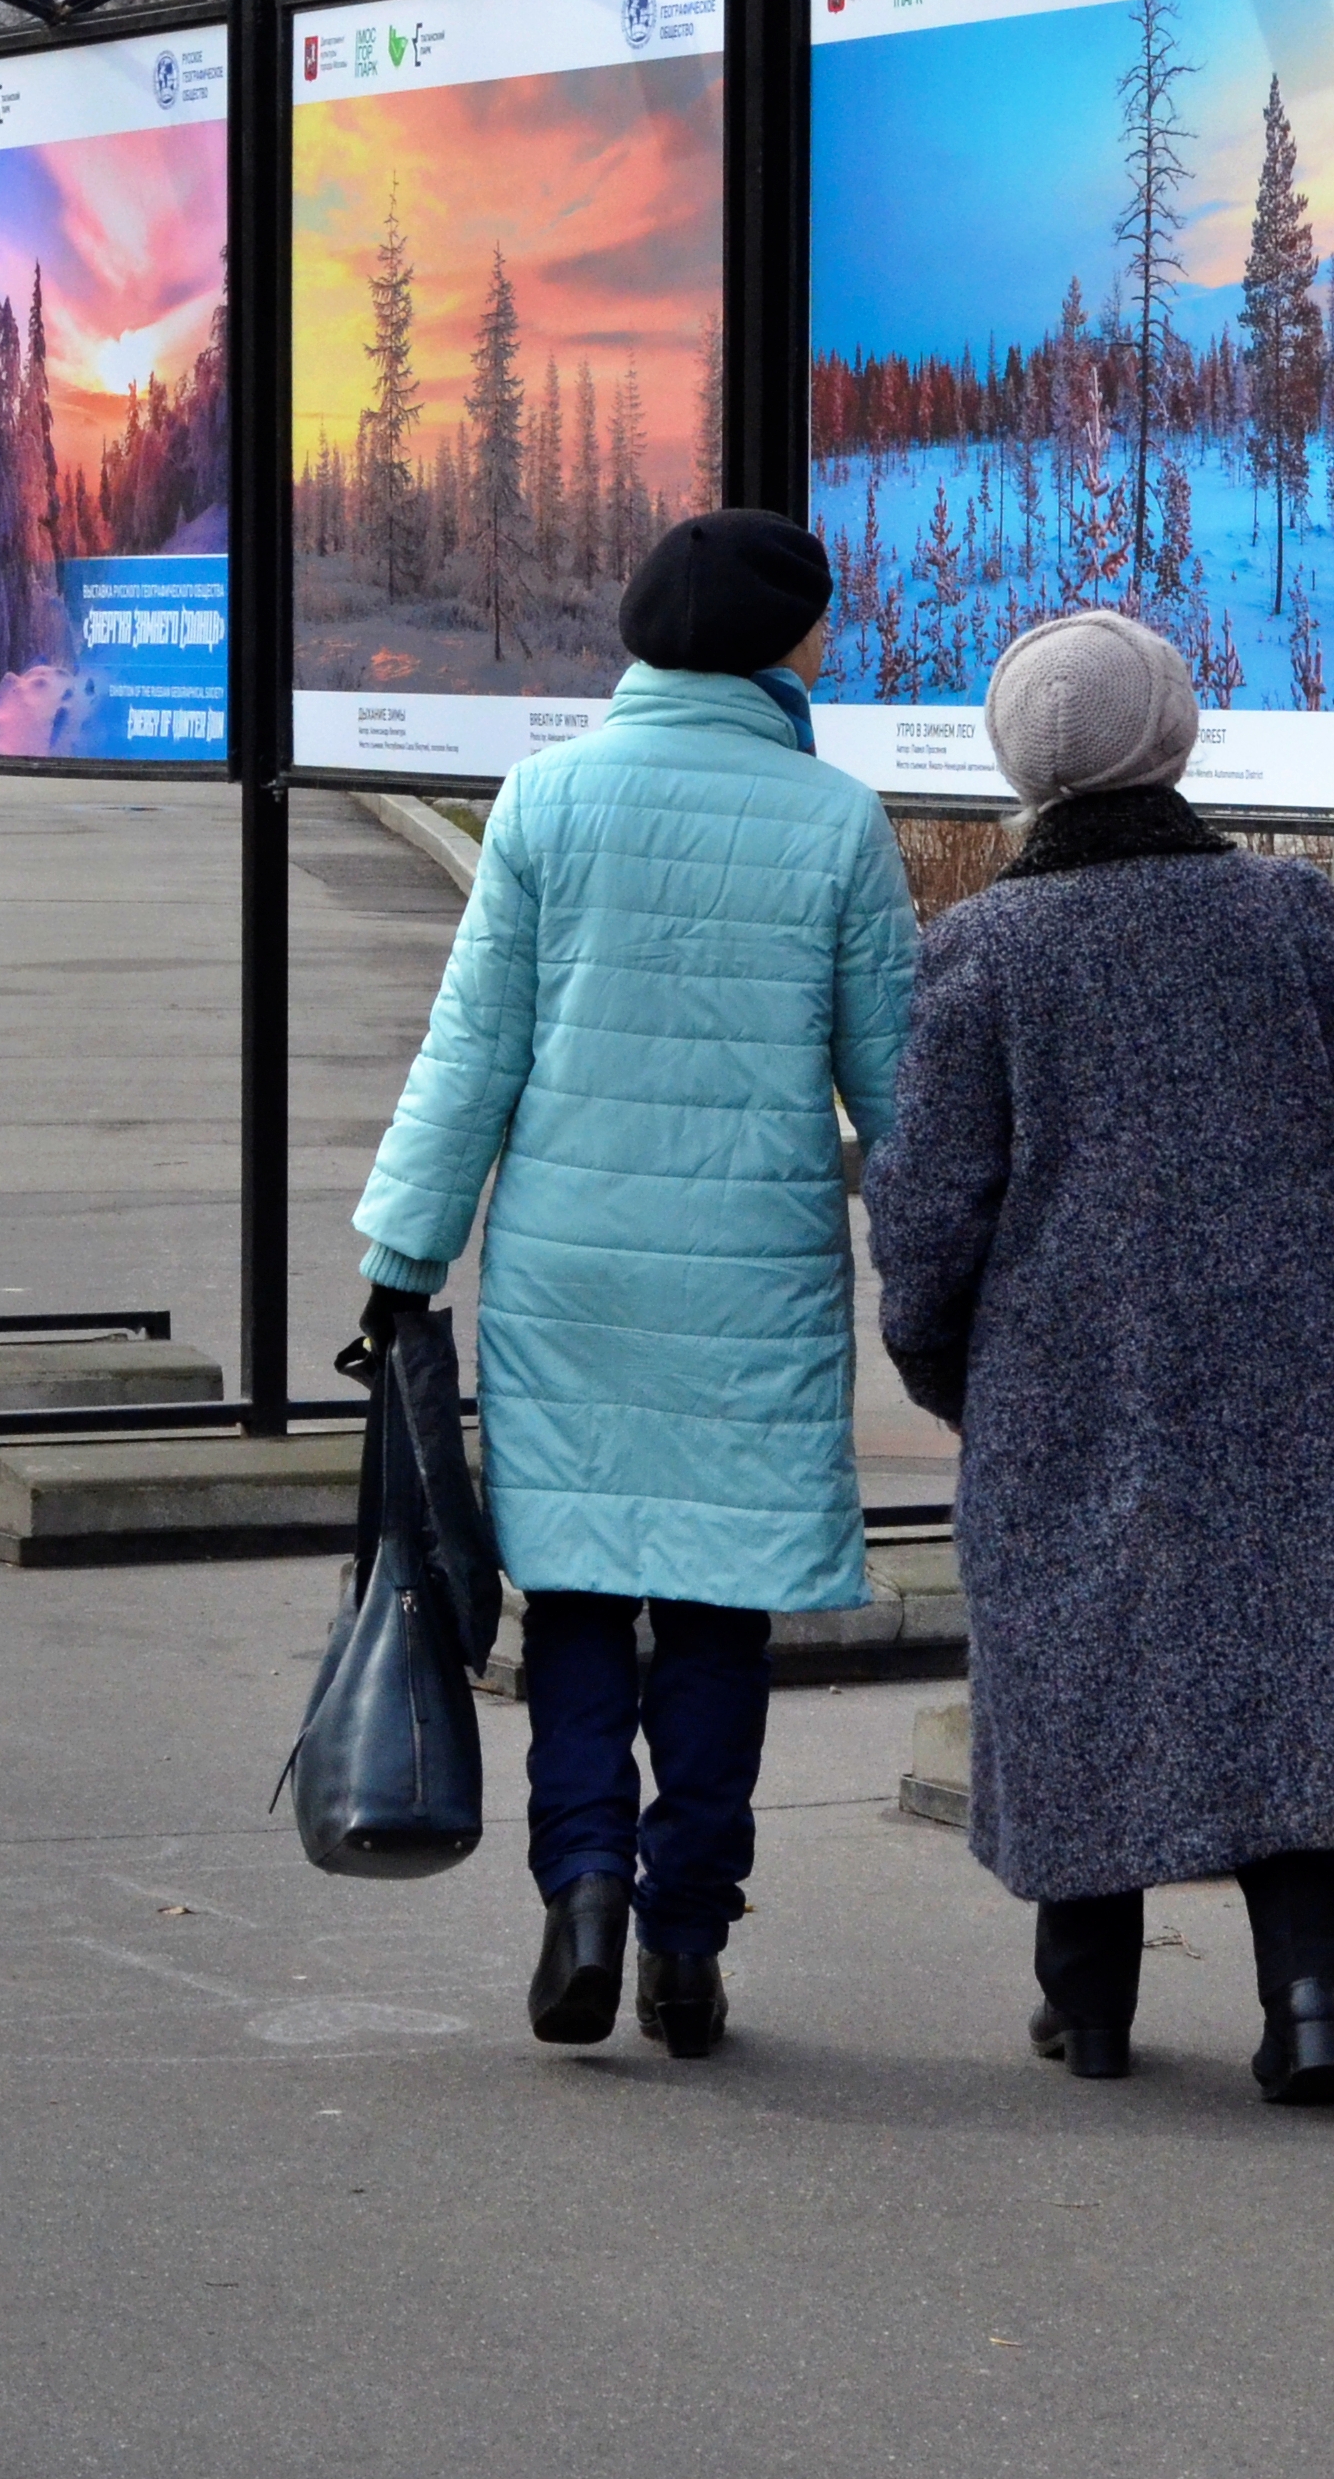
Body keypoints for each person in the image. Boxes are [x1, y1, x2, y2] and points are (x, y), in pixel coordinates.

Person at [863, 608, 1334, 2104]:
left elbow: (926, 1208)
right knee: (1293, 1669)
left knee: (1083, 1663)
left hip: (1067, 1378)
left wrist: (945, 1364)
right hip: (1300, 1368)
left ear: (1021, 768)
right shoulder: (1286, 916)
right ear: (1174, 739)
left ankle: (1088, 2008)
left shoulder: (981, 952)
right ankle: (1309, 1999)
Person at [351, 509, 918, 2062]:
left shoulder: (546, 799)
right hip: (751, 1281)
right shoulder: (836, 823)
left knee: (583, 1594)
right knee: (723, 1613)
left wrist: (403, 1258)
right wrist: (955, 1269)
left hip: (572, 1271)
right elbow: (898, 1092)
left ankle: (586, 1888)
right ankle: (685, 1938)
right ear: (773, 641)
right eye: (818, 620)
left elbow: (474, 1047)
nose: (828, 642)